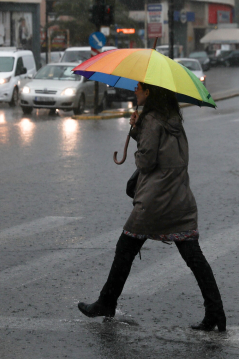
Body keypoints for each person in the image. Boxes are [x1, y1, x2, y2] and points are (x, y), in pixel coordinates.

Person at [77, 82, 227, 332]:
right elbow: (166, 152)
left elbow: (146, 161)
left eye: (139, 88)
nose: (135, 91)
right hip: (178, 197)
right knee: (194, 257)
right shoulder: (172, 119)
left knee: (125, 247)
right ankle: (216, 313)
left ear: (149, 92)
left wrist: (137, 130)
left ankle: (106, 302)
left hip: (155, 200)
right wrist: (138, 129)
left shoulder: (152, 120)